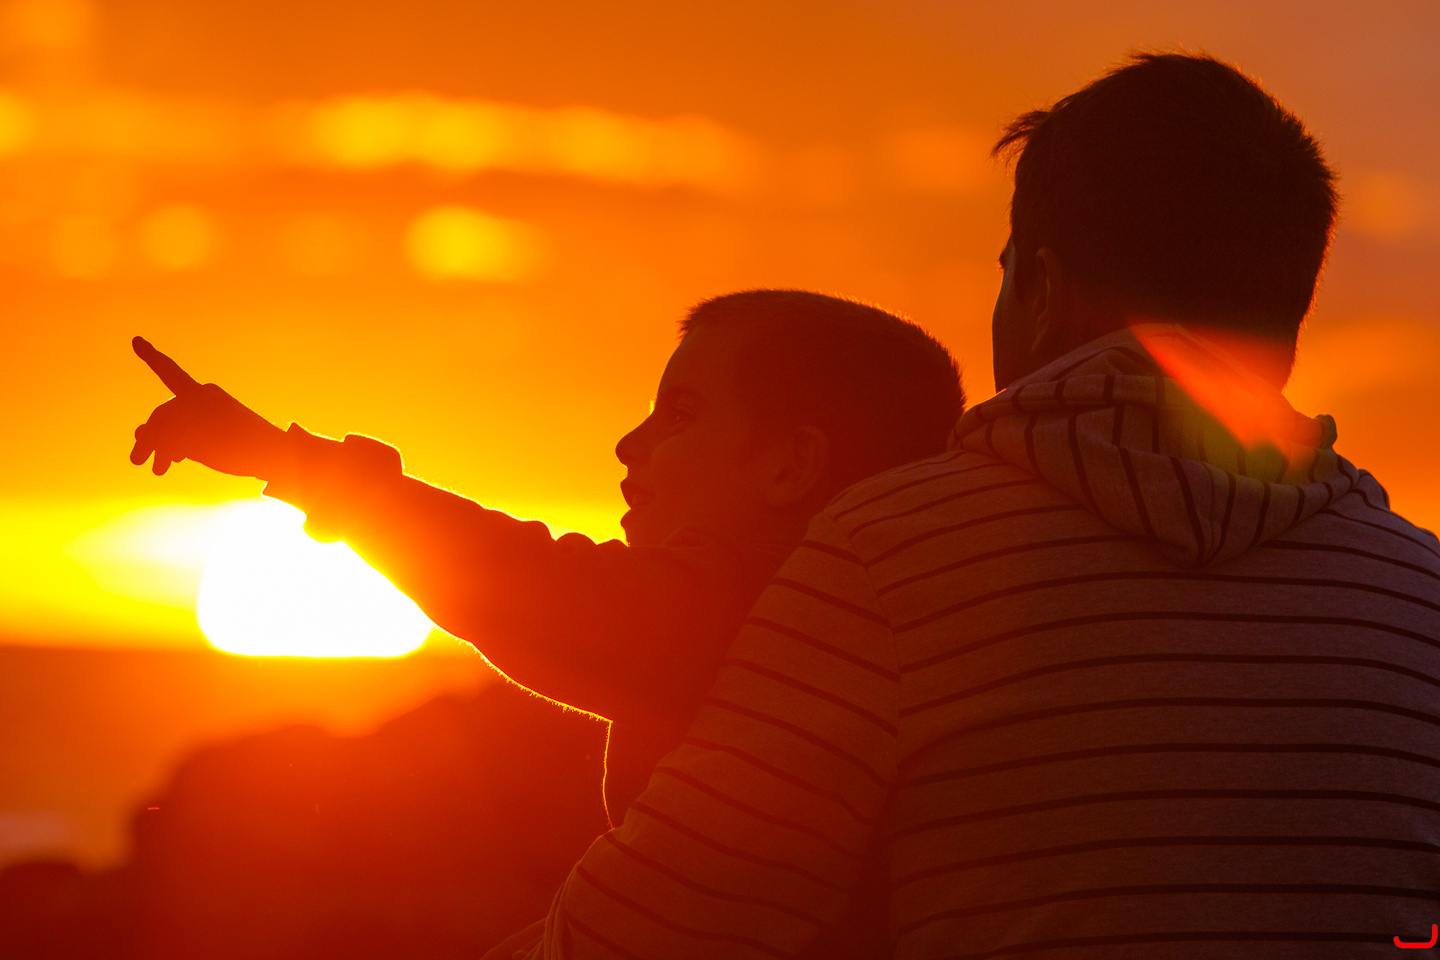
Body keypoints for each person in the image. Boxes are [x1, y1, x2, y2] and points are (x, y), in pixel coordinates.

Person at [504, 54, 1440, 958]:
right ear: (1288, 319)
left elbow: (657, 932)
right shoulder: (1420, 595)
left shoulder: (884, 558)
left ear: (1042, 288)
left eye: (1004, 271)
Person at [128, 289, 964, 824]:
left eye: (681, 415)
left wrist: (287, 459)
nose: (629, 444)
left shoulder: (771, 610)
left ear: (791, 465)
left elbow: (541, 590)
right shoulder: (874, 608)